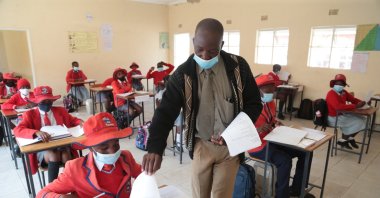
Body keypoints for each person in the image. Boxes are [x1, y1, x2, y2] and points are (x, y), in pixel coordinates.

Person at [142, 18, 262, 198]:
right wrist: (155, 148)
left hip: (229, 147)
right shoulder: (182, 75)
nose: (205, 56)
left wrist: (234, 133)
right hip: (201, 145)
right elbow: (165, 113)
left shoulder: (238, 68)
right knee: (199, 194)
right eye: (199, 49)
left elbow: (254, 103)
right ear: (193, 43)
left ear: (222, 44)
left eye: (212, 51)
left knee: (223, 195)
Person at [37, 112, 141, 198]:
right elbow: (42, 193)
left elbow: (141, 173)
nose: (112, 151)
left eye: (116, 144)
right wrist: (59, 197)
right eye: (104, 148)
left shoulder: (126, 158)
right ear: (91, 147)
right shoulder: (75, 170)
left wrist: (148, 169)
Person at [248, 74, 314, 198]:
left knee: (306, 152)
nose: (273, 92)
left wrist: (275, 122)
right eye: (269, 89)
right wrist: (258, 129)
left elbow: (271, 118)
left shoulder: (270, 103)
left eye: (273, 89)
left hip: (272, 139)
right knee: (284, 161)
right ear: (259, 90)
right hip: (257, 145)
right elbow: (242, 131)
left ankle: (297, 189)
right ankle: (282, 195)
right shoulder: (250, 106)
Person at [14, 86, 83, 183]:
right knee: (54, 154)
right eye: (43, 102)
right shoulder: (29, 114)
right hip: (43, 148)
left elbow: (73, 121)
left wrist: (81, 122)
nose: (46, 105)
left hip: (61, 145)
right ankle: (52, 188)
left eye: (49, 102)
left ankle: (72, 184)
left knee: (65, 155)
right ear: (37, 102)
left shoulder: (60, 111)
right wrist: (36, 132)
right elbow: (18, 130)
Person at [326, 74, 366, 149]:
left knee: (363, 119)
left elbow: (353, 100)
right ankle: (343, 140)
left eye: (342, 84)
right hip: (333, 117)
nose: (339, 85)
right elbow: (337, 107)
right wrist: (355, 106)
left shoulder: (343, 92)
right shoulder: (331, 93)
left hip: (341, 114)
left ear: (344, 85)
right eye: (337, 83)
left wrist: (363, 102)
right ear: (334, 84)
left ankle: (348, 138)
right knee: (359, 122)